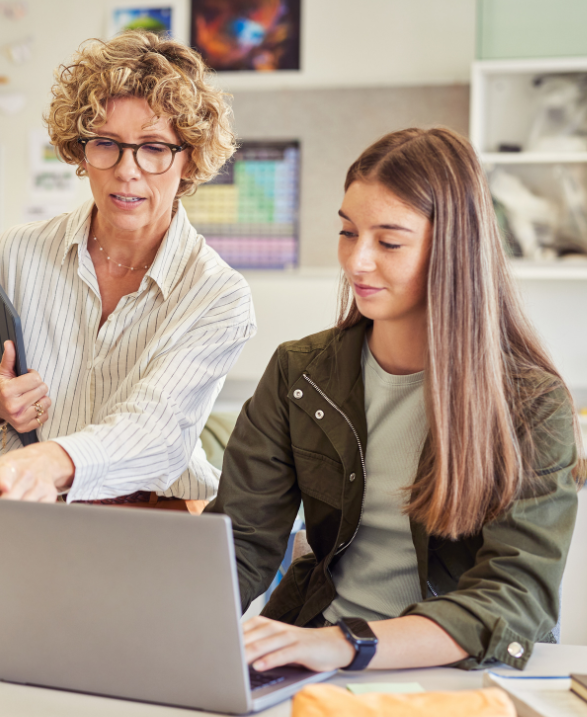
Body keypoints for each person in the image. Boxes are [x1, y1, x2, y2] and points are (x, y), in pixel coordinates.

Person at [208, 127, 584, 673]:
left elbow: (514, 596)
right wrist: (175, 632)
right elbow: (241, 544)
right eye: (346, 232)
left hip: (457, 675)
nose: (356, 261)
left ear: (453, 249)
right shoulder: (301, 372)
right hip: (315, 660)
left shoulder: (530, 403)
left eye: (388, 242)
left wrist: (346, 644)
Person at [0, 30, 256, 505]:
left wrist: (55, 461)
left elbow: (156, 429)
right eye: (106, 143)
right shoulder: (15, 254)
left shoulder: (218, 295)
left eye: (154, 147)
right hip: (25, 505)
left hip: (153, 513)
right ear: (80, 149)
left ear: (189, 158)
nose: (126, 170)